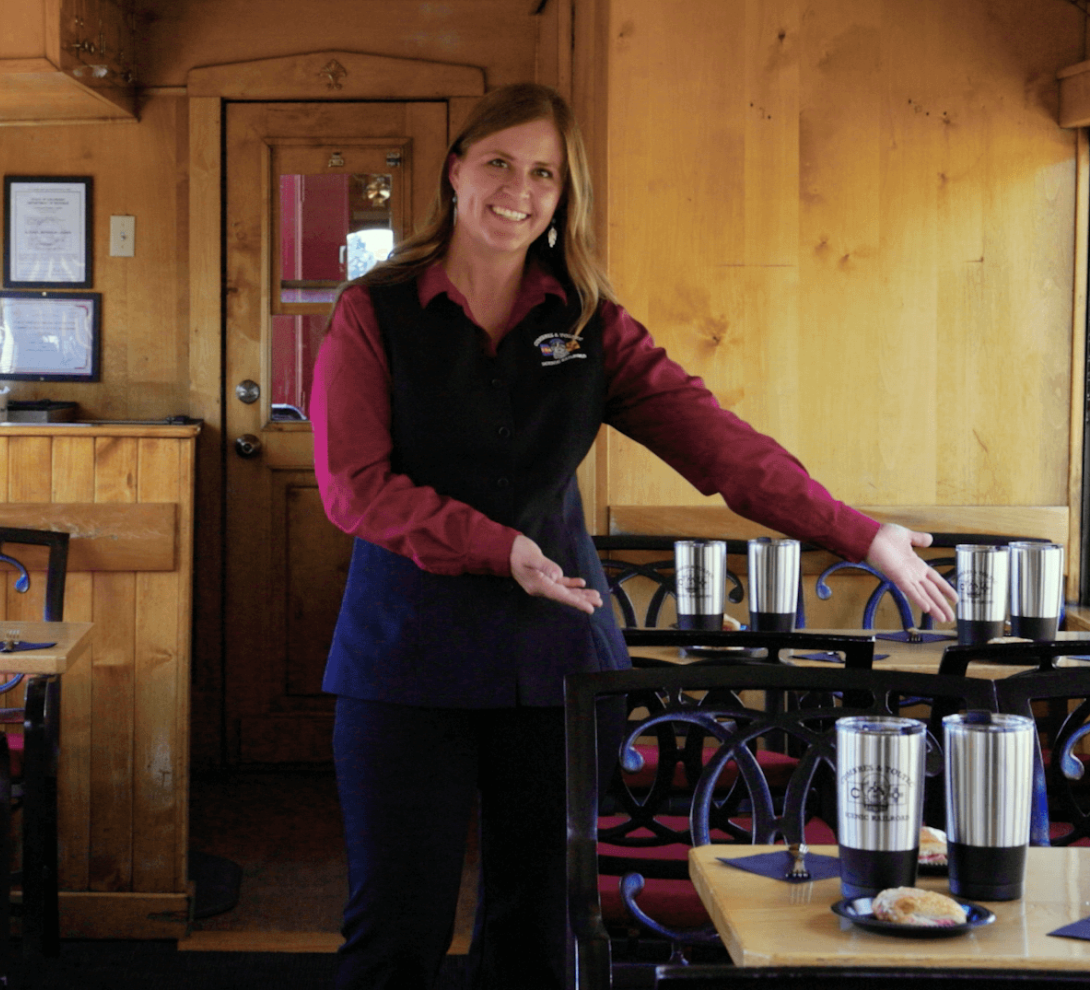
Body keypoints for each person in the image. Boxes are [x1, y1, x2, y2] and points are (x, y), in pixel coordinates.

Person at [309, 82, 958, 990]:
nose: (519, 189)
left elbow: (724, 450)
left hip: (556, 664)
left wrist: (862, 534)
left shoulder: (588, 324)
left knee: (538, 929)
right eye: (500, 162)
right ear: (456, 170)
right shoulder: (371, 312)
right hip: (402, 662)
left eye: (545, 173)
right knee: (394, 932)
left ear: (563, 196)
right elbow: (357, 488)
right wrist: (499, 548)